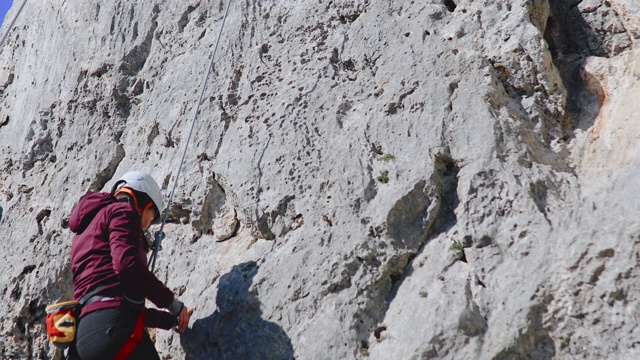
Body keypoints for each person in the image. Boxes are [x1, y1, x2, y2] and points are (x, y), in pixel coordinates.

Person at [68, 171, 193, 359]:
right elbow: (127, 267)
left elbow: (117, 301)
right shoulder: (123, 211)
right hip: (113, 329)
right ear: (146, 205)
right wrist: (173, 304)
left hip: (82, 340)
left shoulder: (83, 235)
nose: (146, 226)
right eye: (151, 218)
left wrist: (170, 321)